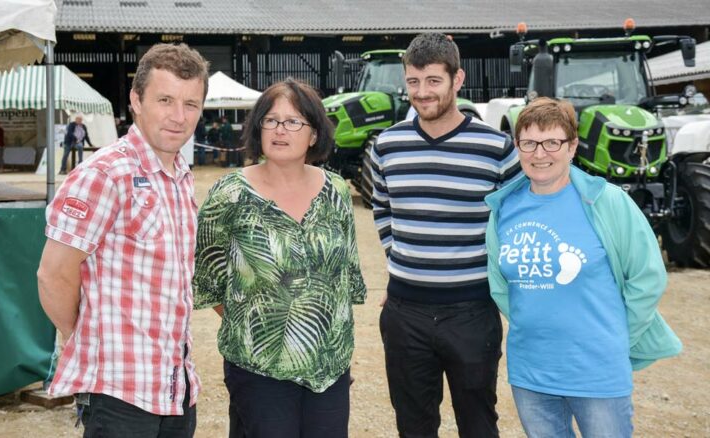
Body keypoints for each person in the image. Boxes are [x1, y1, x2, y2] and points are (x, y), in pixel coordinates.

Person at [37, 42, 209, 437]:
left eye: (191, 104)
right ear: (136, 99)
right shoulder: (105, 173)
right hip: (118, 392)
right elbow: (53, 275)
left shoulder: (180, 176)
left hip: (175, 387)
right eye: (165, 100)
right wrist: (87, 338)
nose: (178, 116)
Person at [485, 97, 682, 437]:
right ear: (517, 146)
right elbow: (500, 286)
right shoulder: (504, 209)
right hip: (531, 373)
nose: (539, 154)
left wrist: (617, 338)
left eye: (551, 142)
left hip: (597, 372)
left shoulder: (607, 202)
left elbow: (647, 278)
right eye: (529, 143)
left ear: (572, 146)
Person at [193, 78, 366, 438]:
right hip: (259, 371)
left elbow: (345, 278)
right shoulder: (230, 194)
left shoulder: (335, 191)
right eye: (270, 120)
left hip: (329, 372)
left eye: (293, 122)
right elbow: (209, 281)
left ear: (314, 134)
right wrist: (261, 324)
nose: (280, 130)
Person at [370, 33, 521, 437]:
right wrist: (401, 259)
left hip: (472, 312)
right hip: (405, 313)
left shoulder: (497, 148)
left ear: (458, 79)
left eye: (433, 80)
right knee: (414, 426)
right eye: (413, 82)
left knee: (478, 423)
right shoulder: (387, 145)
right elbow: (383, 209)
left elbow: (514, 221)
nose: (422, 92)